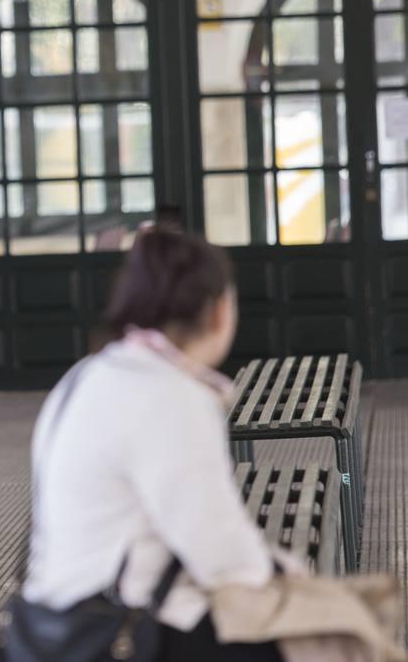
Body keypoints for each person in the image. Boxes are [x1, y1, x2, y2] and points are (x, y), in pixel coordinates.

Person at [20, 229, 287, 660]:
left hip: (53, 616)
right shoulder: (170, 395)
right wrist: (295, 583)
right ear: (220, 311)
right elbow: (222, 553)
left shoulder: (89, 374)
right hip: (113, 632)